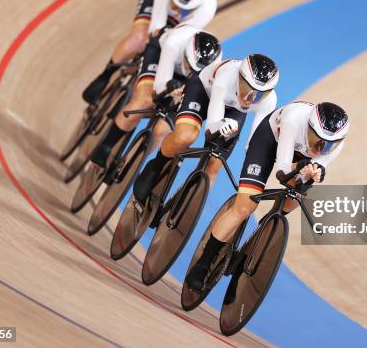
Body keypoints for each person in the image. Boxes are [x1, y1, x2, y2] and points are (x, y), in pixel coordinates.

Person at [185, 101, 349, 291]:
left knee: (293, 200)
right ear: (309, 127)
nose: (320, 148)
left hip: (300, 158)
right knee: (244, 207)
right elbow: (283, 169)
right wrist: (300, 169)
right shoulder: (294, 120)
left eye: (327, 146)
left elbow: (314, 169)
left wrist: (314, 173)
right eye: (317, 140)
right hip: (269, 141)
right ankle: (203, 263)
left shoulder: (337, 143)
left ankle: (251, 250)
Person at [130, 54, 280, 208]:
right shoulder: (226, 77)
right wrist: (220, 126)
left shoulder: (269, 101)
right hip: (202, 92)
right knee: (185, 137)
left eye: (259, 95)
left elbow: (254, 146)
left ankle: (180, 207)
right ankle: (155, 167)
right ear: (239, 78)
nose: (249, 98)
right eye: (247, 89)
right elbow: (211, 128)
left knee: (214, 165)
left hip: (233, 110)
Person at [86, 27, 223, 182]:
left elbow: (199, 91)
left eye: (193, 70)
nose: (188, 70)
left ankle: (131, 162)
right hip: (159, 56)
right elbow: (159, 88)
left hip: (188, 81)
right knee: (145, 100)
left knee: (162, 129)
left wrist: (182, 94)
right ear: (185, 52)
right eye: (188, 64)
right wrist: (169, 91)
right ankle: (106, 145)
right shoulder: (173, 44)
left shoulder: (212, 68)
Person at [82, 0, 217, 105]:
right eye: (175, 3)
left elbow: (181, 34)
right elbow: (155, 27)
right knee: (139, 38)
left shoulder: (207, 9)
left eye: (184, 9)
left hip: (182, 25)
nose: (177, 10)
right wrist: (154, 36)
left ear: (196, 7)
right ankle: (105, 75)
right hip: (157, 5)